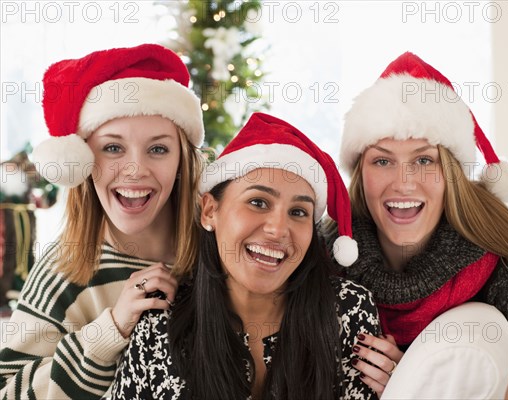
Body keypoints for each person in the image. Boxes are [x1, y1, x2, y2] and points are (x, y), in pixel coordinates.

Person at [323, 52, 508, 399]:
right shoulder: (328, 256)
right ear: (359, 173)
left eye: (424, 160)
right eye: (382, 160)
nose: (404, 183)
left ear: (451, 174)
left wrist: (416, 384)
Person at [110, 112, 380, 400]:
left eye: (298, 212)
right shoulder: (160, 325)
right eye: (258, 202)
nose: (278, 229)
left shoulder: (348, 311)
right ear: (210, 211)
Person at [0, 43, 204, 399]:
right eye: (113, 148)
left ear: (182, 160)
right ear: (83, 160)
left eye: (158, 149)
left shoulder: (218, 253)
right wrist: (109, 331)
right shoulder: (65, 269)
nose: (135, 170)